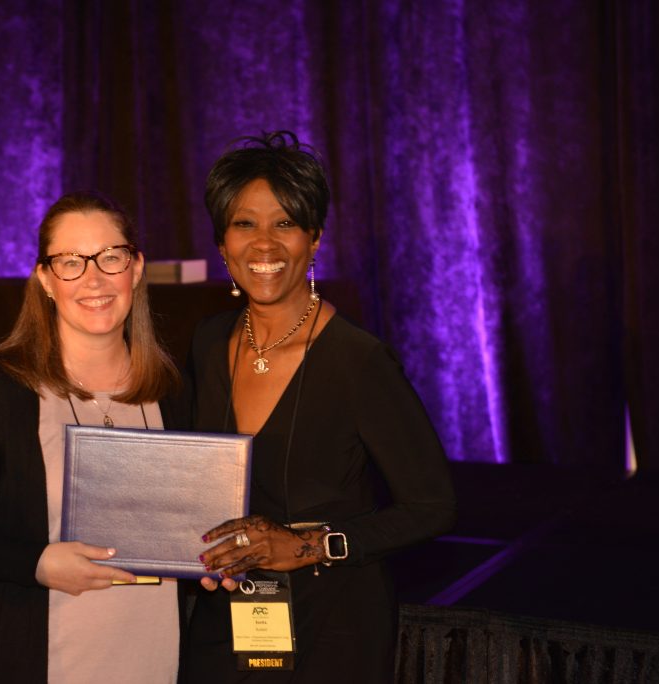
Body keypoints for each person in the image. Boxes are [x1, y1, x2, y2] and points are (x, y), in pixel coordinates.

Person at [182, 132, 456, 682]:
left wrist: (310, 546)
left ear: (314, 239)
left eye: (285, 223)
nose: (264, 244)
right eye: (244, 223)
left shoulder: (359, 360)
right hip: (230, 612)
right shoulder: (208, 343)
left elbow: (432, 507)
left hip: (335, 622)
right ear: (222, 245)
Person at [0, 191, 184, 683]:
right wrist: (36, 563)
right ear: (45, 279)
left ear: (136, 269)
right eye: (71, 262)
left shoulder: (175, 392)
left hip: (157, 665)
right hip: (41, 666)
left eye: (110, 257)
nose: (93, 278)